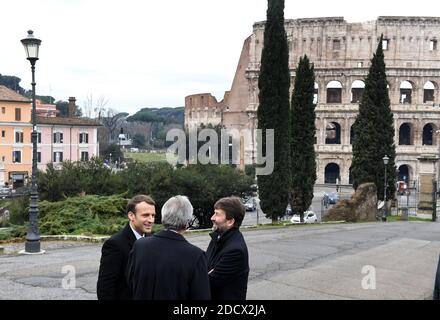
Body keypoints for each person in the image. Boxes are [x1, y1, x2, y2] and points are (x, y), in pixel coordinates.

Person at [126, 195, 210, 300]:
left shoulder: (140, 245)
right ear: (187, 222)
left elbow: (130, 283)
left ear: (163, 218)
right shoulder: (196, 256)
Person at [96, 195, 156, 300]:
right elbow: (105, 288)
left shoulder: (153, 239)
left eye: (153, 215)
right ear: (131, 216)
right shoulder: (114, 244)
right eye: (145, 215)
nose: (151, 220)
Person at [206, 196, 249, 300]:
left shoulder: (235, 250)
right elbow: (205, 266)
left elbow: (207, 283)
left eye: (217, 214)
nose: (212, 218)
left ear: (230, 221)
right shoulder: (217, 237)